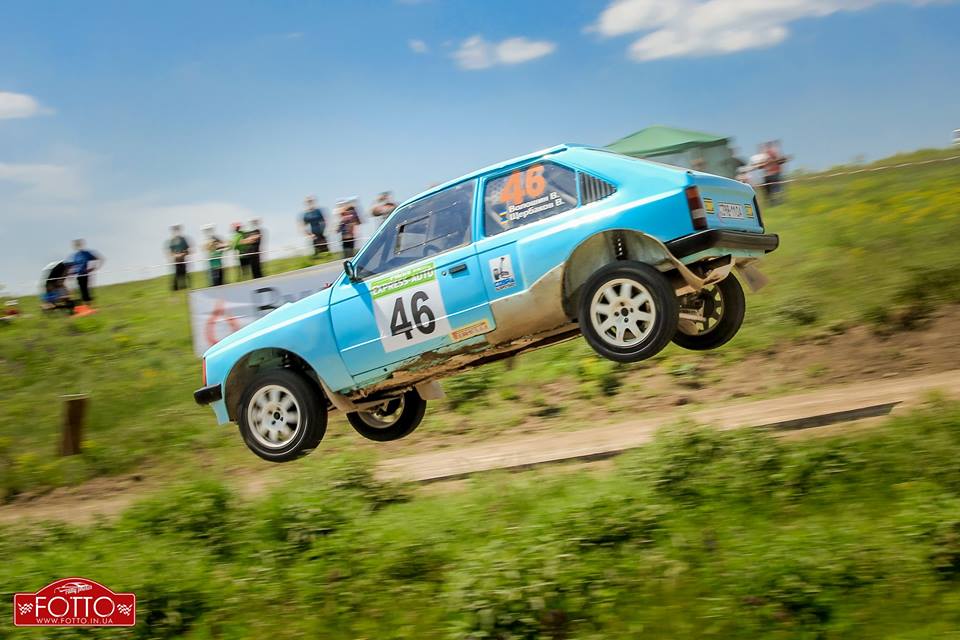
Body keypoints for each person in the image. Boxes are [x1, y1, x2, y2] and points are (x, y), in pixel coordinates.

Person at [67, 239, 103, 304]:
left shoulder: (86, 253)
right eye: (76, 245)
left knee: (85, 289)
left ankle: (88, 302)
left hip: (85, 274)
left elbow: (98, 259)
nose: (78, 246)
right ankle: (85, 303)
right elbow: (73, 265)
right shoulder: (75, 255)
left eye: (79, 245)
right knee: (80, 290)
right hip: (78, 275)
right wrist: (71, 273)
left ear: (81, 245)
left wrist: (93, 268)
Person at [168, 225, 191, 291]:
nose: (176, 232)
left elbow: (187, 250)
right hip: (176, 260)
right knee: (177, 273)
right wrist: (175, 255)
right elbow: (171, 252)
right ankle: (175, 288)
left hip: (183, 259)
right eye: (175, 230)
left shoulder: (183, 239)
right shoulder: (172, 240)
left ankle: (184, 286)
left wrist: (183, 254)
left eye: (177, 230)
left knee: (184, 272)